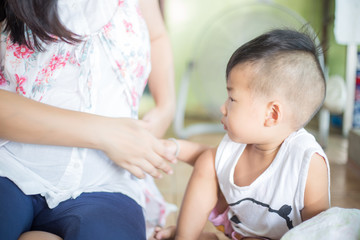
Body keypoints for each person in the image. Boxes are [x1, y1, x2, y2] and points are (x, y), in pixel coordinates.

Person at [0, 0, 177, 239]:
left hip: (107, 182)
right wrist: (105, 134)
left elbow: (157, 36)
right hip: (9, 168)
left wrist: (166, 106)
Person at [152, 29, 330, 240]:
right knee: (207, 162)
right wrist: (172, 148)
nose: (223, 108)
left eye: (232, 99)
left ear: (271, 114)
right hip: (239, 234)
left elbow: (319, 231)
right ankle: (185, 236)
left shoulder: (307, 164)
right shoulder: (238, 144)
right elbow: (210, 157)